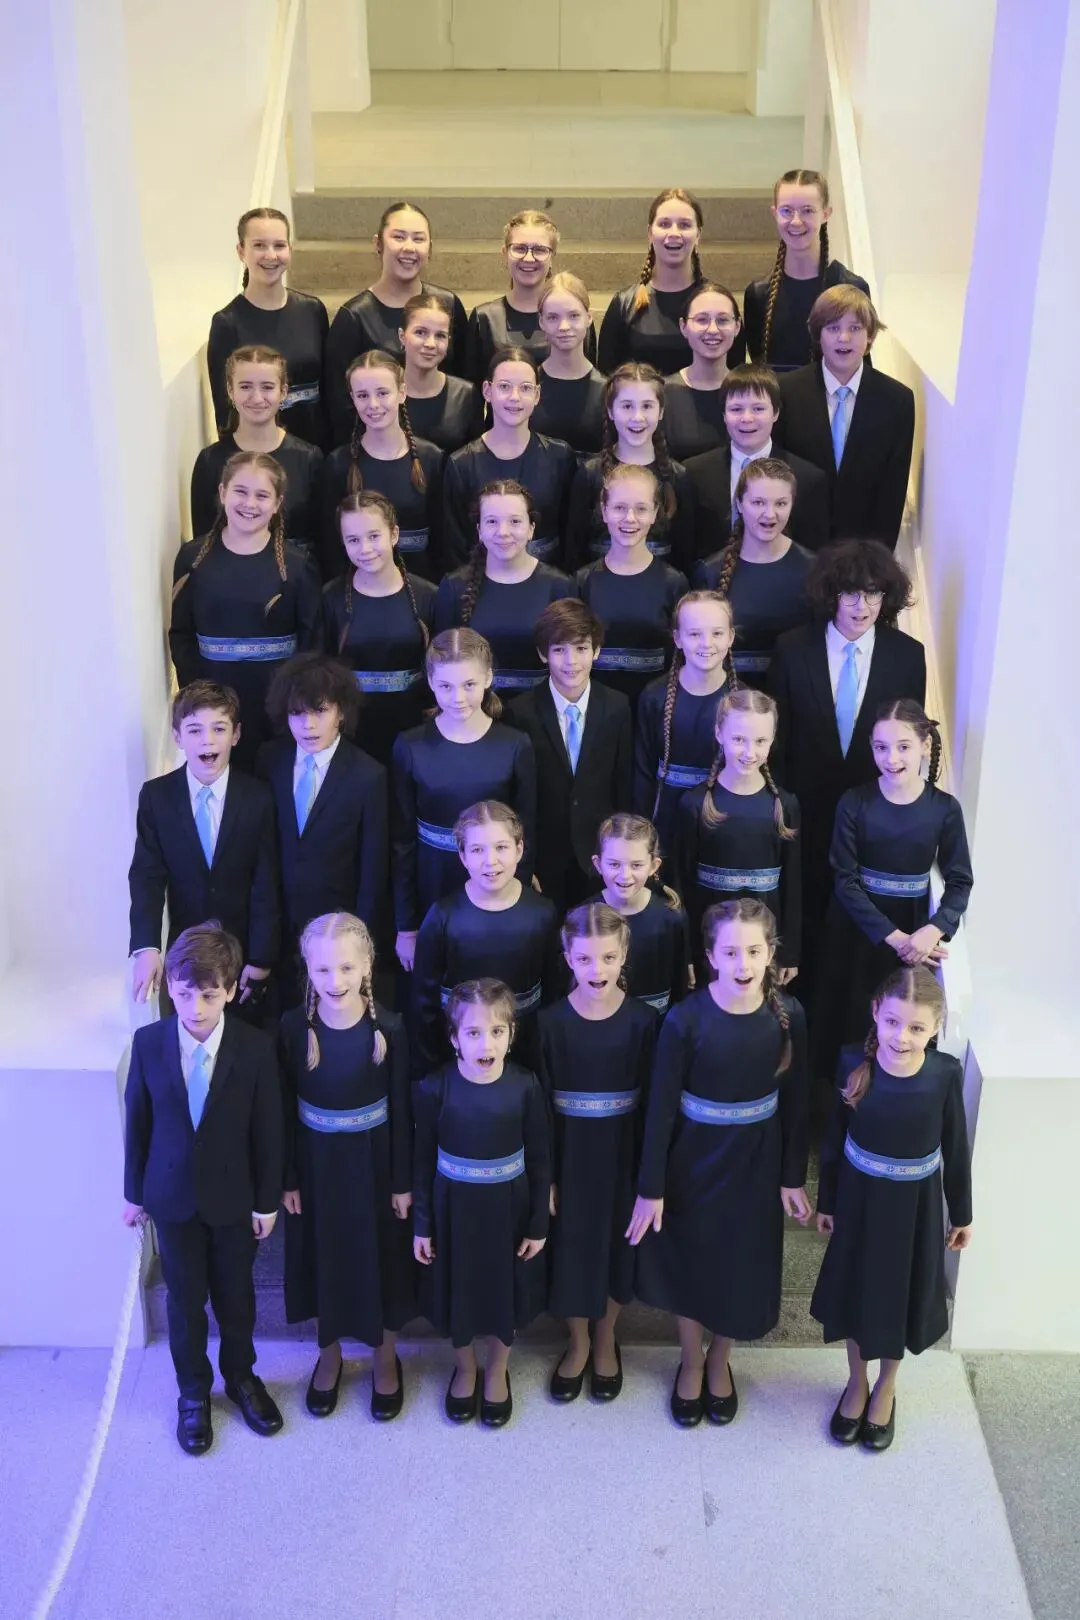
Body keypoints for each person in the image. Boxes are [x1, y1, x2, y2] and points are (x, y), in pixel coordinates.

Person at [628, 899, 810, 1426]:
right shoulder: (684, 1019)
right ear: (710, 956)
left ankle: (720, 1359)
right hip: (694, 1160)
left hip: (756, 1159)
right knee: (694, 1260)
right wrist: (651, 1186)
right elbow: (660, 1108)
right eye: (730, 952)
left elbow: (798, 1102)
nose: (742, 963)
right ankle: (690, 1359)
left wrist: (792, 1176)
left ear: (771, 953)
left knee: (739, 1262)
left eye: (753, 951)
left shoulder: (789, 1015)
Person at [122, 923, 284, 1455]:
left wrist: (267, 1200)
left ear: (231, 990)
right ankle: (192, 1391)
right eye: (185, 993)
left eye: (210, 995)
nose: (196, 1007)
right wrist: (133, 1193)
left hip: (234, 1199)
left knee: (236, 1297)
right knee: (185, 1300)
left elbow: (268, 1130)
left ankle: (241, 1377)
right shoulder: (148, 1044)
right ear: (170, 985)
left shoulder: (254, 1048)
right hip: (171, 1200)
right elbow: (138, 1122)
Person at [811, 966, 973, 1452]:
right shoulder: (851, 1063)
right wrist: (827, 1202)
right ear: (875, 1014)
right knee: (856, 1293)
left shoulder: (944, 1074)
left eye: (917, 1028)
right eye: (892, 1022)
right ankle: (856, 1381)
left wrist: (962, 1213)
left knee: (898, 1297)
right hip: (859, 1203)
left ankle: (887, 1385)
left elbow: (955, 1147)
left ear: (936, 1026)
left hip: (914, 1210)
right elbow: (833, 1141)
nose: (902, 1037)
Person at [767, 540, 925, 1020]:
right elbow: (778, 740)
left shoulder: (907, 655)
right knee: (805, 922)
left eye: (874, 594)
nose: (862, 606)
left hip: (872, 819)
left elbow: (907, 743)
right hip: (804, 814)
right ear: (831, 594)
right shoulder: (792, 648)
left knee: (855, 938)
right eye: (851, 594)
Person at [279, 913, 413, 1419]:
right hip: (317, 1167)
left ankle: (384, 1357)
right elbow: (281, 1108)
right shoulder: (293, 1028)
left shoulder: (390, 1028)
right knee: (323, 1257)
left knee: (381, 1257)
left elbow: (401, 1109)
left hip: (373, 1167)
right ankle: (329, 1354)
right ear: (307, 969)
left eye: (346, 968)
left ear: (367, 967)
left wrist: (401, 1181)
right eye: (322, 970)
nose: (335, 981)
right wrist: (289, 1177)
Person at [412, 979, 551, 1427]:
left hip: (508, 1211)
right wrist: (422, 1224)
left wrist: (538, 1223)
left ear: (512, 1034)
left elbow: (540, 1158)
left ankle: (496, 1368)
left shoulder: (526, 1086)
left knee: (502, 1291)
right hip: (453, 1210)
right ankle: (466, 1367)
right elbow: (421, 1161)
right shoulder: (436, 1088)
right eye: (473, 1033)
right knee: (460, 1289)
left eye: (496, 1031)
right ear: (454, 1038)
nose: (485, 1044)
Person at [815, 700, 973, 1080]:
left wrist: (933, 930)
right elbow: (845, 880)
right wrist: (895, 937)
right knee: (852, 1022)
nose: (892, 758)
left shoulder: (944, 809)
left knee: (903, 1024)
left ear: (925, 745)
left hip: (916, 934)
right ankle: (847, 1101)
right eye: (881, 747)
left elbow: (960, 881)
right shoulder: (854, 802)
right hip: (858, 930)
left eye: (903, 746)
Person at [538, 903, 657, 1403]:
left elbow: (654, 1105)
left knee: (616, 1246)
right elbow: (540, 1107)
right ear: (567, 958)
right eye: (585, 959)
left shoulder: (645, 1022)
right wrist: (546, 1175)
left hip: (622, 1153)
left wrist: (650, 1176)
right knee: (573, 1247)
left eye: (608, 957)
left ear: (624, 954)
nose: (597, 969)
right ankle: (579, 1339)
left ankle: (606, 1335)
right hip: (569, 1154)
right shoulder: (549, 1023)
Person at [390, 629, 537, 973]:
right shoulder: (410, 746)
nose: (458, 698)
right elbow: (401, 842)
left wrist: (520, 893)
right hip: (433, 881)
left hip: (497, 880)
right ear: (430, 681)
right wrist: (406, 926)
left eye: (469, 684)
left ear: (488, 677)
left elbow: (527, 829)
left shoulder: (516, 745)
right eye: (446, 686)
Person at [128, 682, 278, 1014]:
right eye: (195, 730)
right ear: (178, 736)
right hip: (183, 955)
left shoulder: (258, 797)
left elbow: (266, 882)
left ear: (236, 735)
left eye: (219, 729)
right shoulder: (156, 797)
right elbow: (146, 876)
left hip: (241, 957)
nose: (207, 740)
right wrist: (146, 947)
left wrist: (261, 957)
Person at [169, 451, 322, 769]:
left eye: (262, 495)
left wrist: (294, 700)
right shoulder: (193, 559)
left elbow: (312, 642)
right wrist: (200, 700)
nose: (250, 504)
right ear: (223, 492)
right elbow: (181, 634)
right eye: (240, 491)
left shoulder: (297, 565)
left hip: (276, 706)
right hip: (215, 706)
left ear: (277, 503)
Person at [256, 654, 388, 1009]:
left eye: (320, 711)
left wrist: (361, 940)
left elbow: (373, 868)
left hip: (337, 928)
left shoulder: (368, 775)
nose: (308, 725)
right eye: (297, 713)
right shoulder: (269, 760)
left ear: (341, 712)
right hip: (279, 923)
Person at [411, 800, 560, 1078]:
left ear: (519, 849)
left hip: (525, 1055)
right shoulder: (443, 916)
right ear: (462, 856)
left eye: (501, 847)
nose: (490, 861)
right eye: (477, 850)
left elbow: (554, 992)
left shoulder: (543, 913)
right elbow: (423, 1004)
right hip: (457, 1058)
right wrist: (431, 1069)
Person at [506, 598, 632, 916]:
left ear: (596, 651)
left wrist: (621, 857)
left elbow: (624, 786)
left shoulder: (617, 707)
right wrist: (525, 862)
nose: (571, 661)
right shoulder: (520, 712)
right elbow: (520, 797)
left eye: (581, 648)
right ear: (543, 654)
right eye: (559, 650)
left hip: (601, 857)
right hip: (546, 858)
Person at [674, 689, 801, 988]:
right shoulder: (694, 804)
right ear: (719, 733)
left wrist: (790, 952)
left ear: (773, 739)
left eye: (760, 741)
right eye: (739, 739)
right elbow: (680, 884)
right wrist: (686, 953)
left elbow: (793, 885)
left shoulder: (785, 805)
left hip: (764, 948)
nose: (749, 752)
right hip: (709, 945)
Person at [777, 285, 916, 550]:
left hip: (861, 548)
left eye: (855, 328)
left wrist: (878, 557)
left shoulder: (897, 400)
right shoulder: (787, 391)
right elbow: (778, 470)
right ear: (818, 334)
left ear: (870, 336)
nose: (844, 338)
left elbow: (893, 489)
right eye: (833, 328)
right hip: (797, 543)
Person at [324, 201, 468, 445]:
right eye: (399, 237)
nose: (409, 247)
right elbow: (340, 404)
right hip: (378, 449)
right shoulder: (354, 316)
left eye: (418, 239)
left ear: (430, 248)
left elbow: (462, 381)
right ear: (378, 243)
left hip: (446, 445)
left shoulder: (448, 305)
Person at [321, 491, 436, 766]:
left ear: (394, 534)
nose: (365, 549)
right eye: (353, 540)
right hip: (353, 729)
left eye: (374, 536)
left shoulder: (428, 595)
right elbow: (322, 666)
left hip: (416, 727)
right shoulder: (331, 597)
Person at [434, 479, 575, 691]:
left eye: (515, 521)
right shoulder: (454, 587)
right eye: (492, 521)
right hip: (473, 707)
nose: (503, 532)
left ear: (531, 528)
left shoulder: (559, 586)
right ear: (479, 530)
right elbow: (442, 664)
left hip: (539, 707)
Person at [207, 207, 329, 450]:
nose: (271, 255)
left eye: (279, 245)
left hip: (316, 452)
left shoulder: (312, 310)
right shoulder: (227, 323)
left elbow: (328, 390)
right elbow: (225, 410)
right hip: (259, 458)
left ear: (290, 249)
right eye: (259, 245)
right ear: (241, 251)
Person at [443, 348, 576, 568]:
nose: (515, 397)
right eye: (504, 387)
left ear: (537, 394)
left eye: (525, 388)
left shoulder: (560, 456)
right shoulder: (461, 464)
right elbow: (455, 546)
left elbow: (570, 533)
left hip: (548, 579)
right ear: (487, 391)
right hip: (480, 579)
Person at [190, 344, 323, 564]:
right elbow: (203, 542)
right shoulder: (210, 461)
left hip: (294, 578)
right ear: (230, 390)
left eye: (267, 387)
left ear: (283, 392)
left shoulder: (309, 458)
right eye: (245, 386)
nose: (257, 397)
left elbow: (322, 537)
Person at [319, 350, 443, 583]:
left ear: (402, 393)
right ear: (353, 398)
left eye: (383, 393)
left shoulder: (432, 459)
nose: (373, 404)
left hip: (423, 586)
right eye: (362, 395)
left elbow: (444, 539)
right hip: (358, 587)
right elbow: (330, 545)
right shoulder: (338, 464)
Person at [684, 364, 830, 558]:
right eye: (736, 409)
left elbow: (814, 554)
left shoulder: (808, 478)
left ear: (775, 413)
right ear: (724, 415)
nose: (747, 418)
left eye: (758, 408)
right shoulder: (695, 473)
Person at [575, 464, 688, 712]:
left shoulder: (674, 583)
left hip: (656, 708)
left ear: (655, 512)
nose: (630, 518)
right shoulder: (583, 581)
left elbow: (679, 658)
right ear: (604, 511)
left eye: (641, 508)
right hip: (598, 709)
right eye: (619, 508)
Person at [693, 458, 815, 687]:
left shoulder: (813, 569)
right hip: (730, 696)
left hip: (794, 694)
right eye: (758, 502)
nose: (770, 514)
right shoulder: (710, 571)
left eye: (781, 503)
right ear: (739, 504)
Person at [565, 364, 695, 575]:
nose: (637, 417)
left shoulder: (678, 477)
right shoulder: (590, 474)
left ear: (661, 411)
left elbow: (685, 555)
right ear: (610, 411)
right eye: (627, 406)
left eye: (647, 406)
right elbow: (574, 551)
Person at [633, 590, 735, 858]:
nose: (706, 643)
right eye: (694, 634)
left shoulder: (742, 701)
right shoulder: (654, 697)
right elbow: (642, 771)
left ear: (731, 636)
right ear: (677, 638)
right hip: (666, 822)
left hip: (722, 821)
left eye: (717, 633)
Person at [742, 170, 869, 372]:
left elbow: (862, 369)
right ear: (775, 213)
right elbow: (757, 371)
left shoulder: (852, 288)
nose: (796, 221)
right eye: (786, 211)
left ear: (825, 214)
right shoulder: (758, 295)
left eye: (807, 211)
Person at [465, 210, 597, 381]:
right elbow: (472, 391)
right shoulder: (484, 319)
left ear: (552, 256)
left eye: (540, 250)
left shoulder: (575, 318)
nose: (528, 258)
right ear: (505, 253)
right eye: (519, 248)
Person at [591, 814, 690, 1015]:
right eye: (614, 864)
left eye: (636, 865)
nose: (625, 875)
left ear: (654, 866)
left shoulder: (670, 919)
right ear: (598, 864)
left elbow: (679, 988)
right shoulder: (586, 916)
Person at [598, 189, 704, 375]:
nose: (674, 233)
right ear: (650, 233)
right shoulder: (623, 305)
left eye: (684, 225)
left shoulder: (718, 304)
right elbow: (607, 381)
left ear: (698, 235)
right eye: (664, 224)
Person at [662, 283, 744, 461]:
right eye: (701, 320)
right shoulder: (663, 394)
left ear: (737, 326)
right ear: (683, 326)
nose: (713, 330)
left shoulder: (749, 393)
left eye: (723, 320)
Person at [530, 273, 607, 456]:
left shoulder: (608, 391)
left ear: (588, 317)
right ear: (541, 322)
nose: (564, 326)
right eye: (553, 317)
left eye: (573, 316)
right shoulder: (527, 388)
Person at [399, 291, 483, 453]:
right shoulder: (383, 392)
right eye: (420, 332)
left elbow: (475, 458)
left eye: (440, 336)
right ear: (402, 336)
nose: (431, 344)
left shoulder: (466, 395)